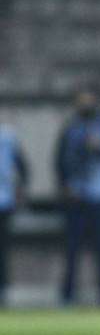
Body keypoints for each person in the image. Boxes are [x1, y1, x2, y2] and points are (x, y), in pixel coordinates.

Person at [55, 81, 100, 305]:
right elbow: (60, 161)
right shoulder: (71, 127)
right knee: (72, 249)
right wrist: (65, 185)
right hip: (76, 195)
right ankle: (67, 296)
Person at [0, 121, 29, 305]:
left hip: (4, 201)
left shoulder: (7, 137)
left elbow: (23, 167)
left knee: (2, 250)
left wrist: (20, 186)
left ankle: (3, 290)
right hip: (5, 200)